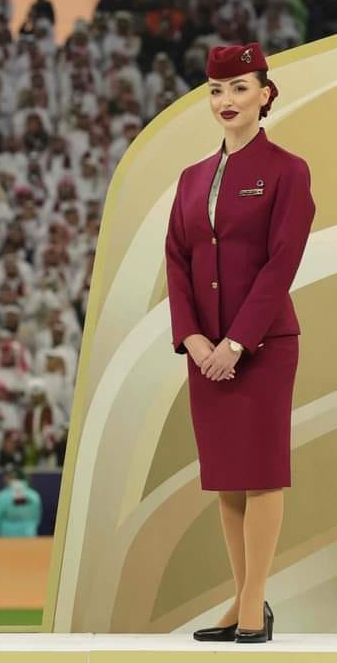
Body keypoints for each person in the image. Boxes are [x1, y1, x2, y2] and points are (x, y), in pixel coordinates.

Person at [165, 42, 314, 645]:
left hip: (264, 347)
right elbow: (176, 259)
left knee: (261, 473)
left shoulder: (288, 170)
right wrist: (194, 338)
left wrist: (236, 343)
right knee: (227, 476)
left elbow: (283, 263)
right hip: (204, 352)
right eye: (216, 91)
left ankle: (252, 606)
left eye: (239, 88)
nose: (226, 100)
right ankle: (243, 599)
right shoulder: (190, 178)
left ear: (265, 94)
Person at [0, 467, 42, 537]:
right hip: (29, 534)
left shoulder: (2, 495)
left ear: (9, 478)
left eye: (6, 477)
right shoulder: (34, 495)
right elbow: (37, 517)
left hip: (6, 535)